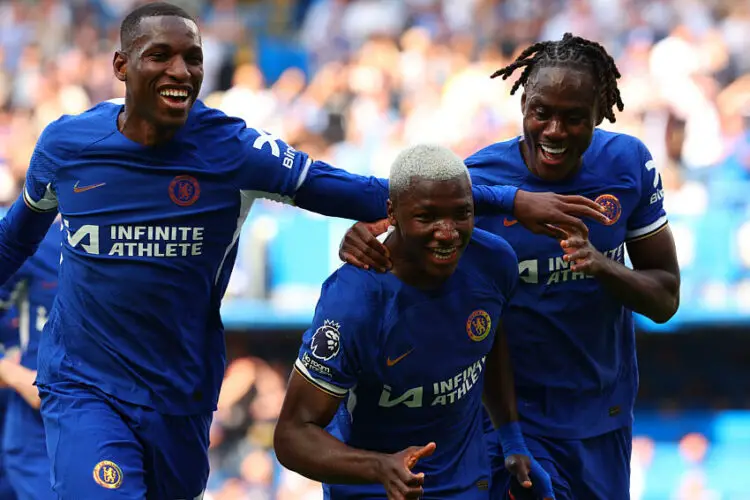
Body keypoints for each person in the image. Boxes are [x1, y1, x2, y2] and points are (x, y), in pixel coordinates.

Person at [0, 1, 604, 495]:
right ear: (121, 65)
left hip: (180, 392)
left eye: (193, 59)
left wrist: (508, 200)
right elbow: (15, 239)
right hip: (83, 383)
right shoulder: (66, 146)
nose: (180, 72)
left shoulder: (231, 150)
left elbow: (358, 191)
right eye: (160, 56)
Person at [338, 33, 680, 500]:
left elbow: (664, 299)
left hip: (601, 418)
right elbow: (398, 210)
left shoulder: (628, 165)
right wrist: (366, 235)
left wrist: (599, 265)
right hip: (502, 423)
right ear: (523, 104)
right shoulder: (477, 181)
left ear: (600, 112)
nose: (554, 131)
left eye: (574, 118)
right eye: (542, 112)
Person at [274, 144, 552, 500]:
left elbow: (487, 346)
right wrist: (379, 467)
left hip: (465, 485)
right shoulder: (352, 303)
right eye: (427, 217)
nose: (448, 232)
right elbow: (292, 436)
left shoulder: (494, 261)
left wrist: (513, 441)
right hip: (374, 491)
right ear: (392, 212)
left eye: (461, 214)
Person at [0, 221, 61, 500]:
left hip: (111, 419)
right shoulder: (36, 239)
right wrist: (17, 376)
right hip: (34, 431)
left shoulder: (139, 240)